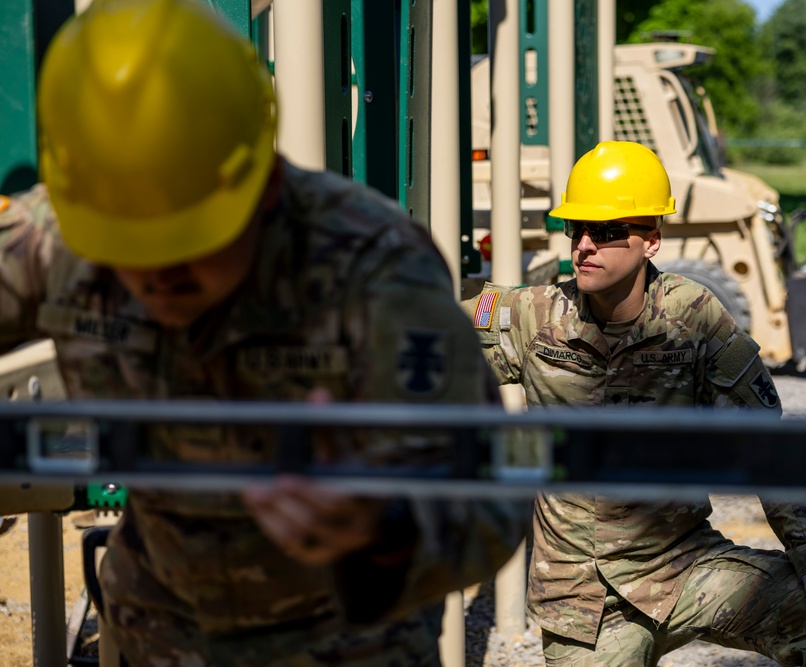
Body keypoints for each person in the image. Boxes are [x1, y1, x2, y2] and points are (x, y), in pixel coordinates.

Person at [0, 0, 524, 664]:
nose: (156, 276)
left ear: (265, 184)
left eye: (190, 240)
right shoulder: (57, 235)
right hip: (159, 633)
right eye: (126, 248)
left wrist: (382, 528)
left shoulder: (372, 266)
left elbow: (489, 497)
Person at [462, 140, 806, 666]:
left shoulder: (696, 319)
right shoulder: (532, 317)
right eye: (577, 229)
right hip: (585, 599)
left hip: (681, 568)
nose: (586, 246)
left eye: (610, 231)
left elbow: (765, 443)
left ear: (652, 241)